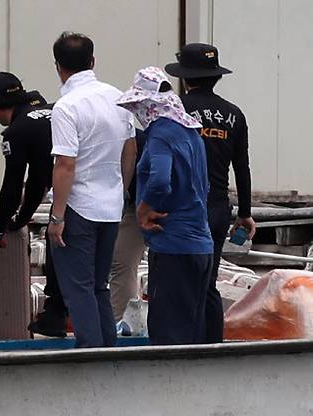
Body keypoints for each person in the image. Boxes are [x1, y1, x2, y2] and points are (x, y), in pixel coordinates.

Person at [47, 32, 136, 348]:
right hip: (111, 205)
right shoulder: (118, 97)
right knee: (99, 285)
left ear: (58, 67)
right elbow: (130, 149)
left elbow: (65, 165)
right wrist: (120, 189)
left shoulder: (66, 107)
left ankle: (89, 353)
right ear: (93, 61)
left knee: (79, 288)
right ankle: (106, 352)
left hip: (79, 206)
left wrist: (57, 216)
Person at [165, 43, 255, 343]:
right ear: (216, 76)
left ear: (185, 77)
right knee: (208, 282)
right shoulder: (234, 114)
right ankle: (213, 345)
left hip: (183, 208)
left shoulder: (176, 110)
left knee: (179, 281)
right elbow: (241, 167)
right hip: (218, 207)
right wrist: (245, 213)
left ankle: (183, 346)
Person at [117, 66, 213, 345]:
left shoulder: (161, 133)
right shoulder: (191, 132)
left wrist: (144, 208)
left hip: (173, 245)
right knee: (192, 330)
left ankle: (169, 388)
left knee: (168, 332)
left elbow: (160, 179)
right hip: (200, 244)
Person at [0, 71, 67, 337]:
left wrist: (0, 226)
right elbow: (40, 180)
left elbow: (14, 186)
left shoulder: (17, 131)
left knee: (59, 244)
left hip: (74, 197)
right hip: (106, 190)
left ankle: (57, 316)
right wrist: (21, 218)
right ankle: (58, 315)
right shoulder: (52, 110)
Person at [109, 129, 146, 323]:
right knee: (122, 264)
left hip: (143, 204)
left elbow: (160, 178)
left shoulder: (147, 138)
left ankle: (121, 321)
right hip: (135, 203)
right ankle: (122, 321)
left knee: (122, 264)